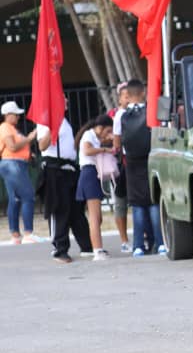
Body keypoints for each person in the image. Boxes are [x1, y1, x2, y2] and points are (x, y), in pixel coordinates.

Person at [115, 80, 165, 256]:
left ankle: (137, 246)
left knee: (137, 205)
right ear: (143, 93)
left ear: (127, 95)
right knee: (153, 202)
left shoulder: (120, 115)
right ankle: (160, 243)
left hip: (132, 164)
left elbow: (116, 142)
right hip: (150, 160)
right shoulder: (151, 112)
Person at [40, 105, 93, 262]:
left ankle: (86, 246)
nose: (66, 100)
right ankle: (60, 248)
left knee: (76, 209)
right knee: (59, 209)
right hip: (55, 169)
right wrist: (52, 129)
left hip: (69, 169)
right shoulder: (46, 121)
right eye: (62, 98)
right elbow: (42, 145)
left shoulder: (65, 121)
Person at [1, 100, 46, 245]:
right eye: (16, 114)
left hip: (14, 163)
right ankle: (28, 232)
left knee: (15, 199)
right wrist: (29, 139)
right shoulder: (5, 128)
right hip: (13, 164)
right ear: (8, 115)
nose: (18, 117)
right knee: (28, 196)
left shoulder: (11, 128)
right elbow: (12, 147)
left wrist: (28, 153)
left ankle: (16, 235)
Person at [75, 115, 117, 261]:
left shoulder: (95, 137)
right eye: (108, 130)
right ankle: (97, 250)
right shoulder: (88, 135)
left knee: (97, 217)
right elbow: (87, 151)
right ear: (101, 127)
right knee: (94, 216)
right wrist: (104, 149)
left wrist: (105, 142)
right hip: (89, 173)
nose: (108, 134)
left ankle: (98, 247)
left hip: (92, 174)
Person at [110, 82, 132, 253]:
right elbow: (116, 142)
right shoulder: (118, 116)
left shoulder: (138, 112)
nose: (128, 99)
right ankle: (124, 239)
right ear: (119, 98)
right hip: (123, 162)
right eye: (125, 96)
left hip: (135, 161)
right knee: (121, 202)